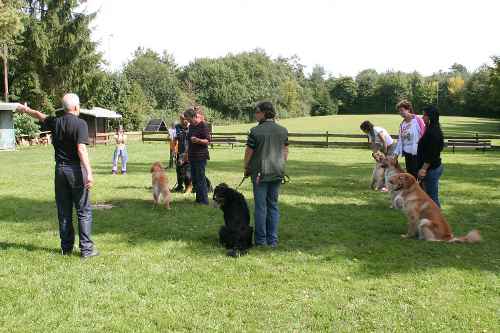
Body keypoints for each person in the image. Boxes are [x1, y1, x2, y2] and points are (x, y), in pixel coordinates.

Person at [16, 94, 99, 258]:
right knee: (83, 211)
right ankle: (87, 250)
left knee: (64, 211)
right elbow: (81, 149)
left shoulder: (56, 122)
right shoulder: (81, 124)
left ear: (64, 107)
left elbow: (39, 115)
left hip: (60, 171)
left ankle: (66, 248)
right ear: (76, 107)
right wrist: (89, 172)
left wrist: (25, 110)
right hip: (75, 171)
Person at [244, 101, 289, 247]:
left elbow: (248, 153)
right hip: (277, 172)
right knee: (273, 206)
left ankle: (261, 240)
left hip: (259, 174)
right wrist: (281, 165)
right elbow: (285, 151)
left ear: (264, 113)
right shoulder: (283, 130)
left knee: (261, 207)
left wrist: (246, 167)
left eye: (257, 112)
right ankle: (273, 240)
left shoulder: (255, 131)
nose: (255, 115)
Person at [417, 106, 445, 207]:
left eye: (424, 115)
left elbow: (431, 154)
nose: (422, 117)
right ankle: (430, 220)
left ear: (430, 117)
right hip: (430, 168)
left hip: (431, 169)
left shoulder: (433, 132)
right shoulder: (431, 129)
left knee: (432, 198)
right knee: (427, 197)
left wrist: (423, 169)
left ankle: (438, 221)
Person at [183, 106, 211, 204]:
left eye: (188, 119)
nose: (187, 121)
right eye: (186, 119)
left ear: (194, 116)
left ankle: (204, 201)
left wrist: (198, 140)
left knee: (200, 178)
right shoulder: (191, 126)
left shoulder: (203, 125)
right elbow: (188, 141)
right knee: (194, 179)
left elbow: (208, 141)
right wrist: (186, 153)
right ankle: (199, 199)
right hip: (192, 155)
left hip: (201, 156)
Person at [393, 100, 425, 179]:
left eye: (402, 110)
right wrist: (395, 156)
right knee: (410, 175)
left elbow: (424, 135)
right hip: (407, 154)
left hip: (418, 153)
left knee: (418, 175)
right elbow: (400, 141)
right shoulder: (402, 124)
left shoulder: (417, 120)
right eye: (399, 111)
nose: (400, 113)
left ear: (408, 109)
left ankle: (420, 190)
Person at [172, 114, 192, 193]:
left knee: (188, 172)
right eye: (181, 119)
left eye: (184, 119)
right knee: (179, 170)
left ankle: (189, 187)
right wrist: (173, 150)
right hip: (179, 152)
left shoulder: (191, 127)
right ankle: (180, 186)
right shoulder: (177, 127)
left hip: (189, 153)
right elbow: (175, 138)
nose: (183, 121)